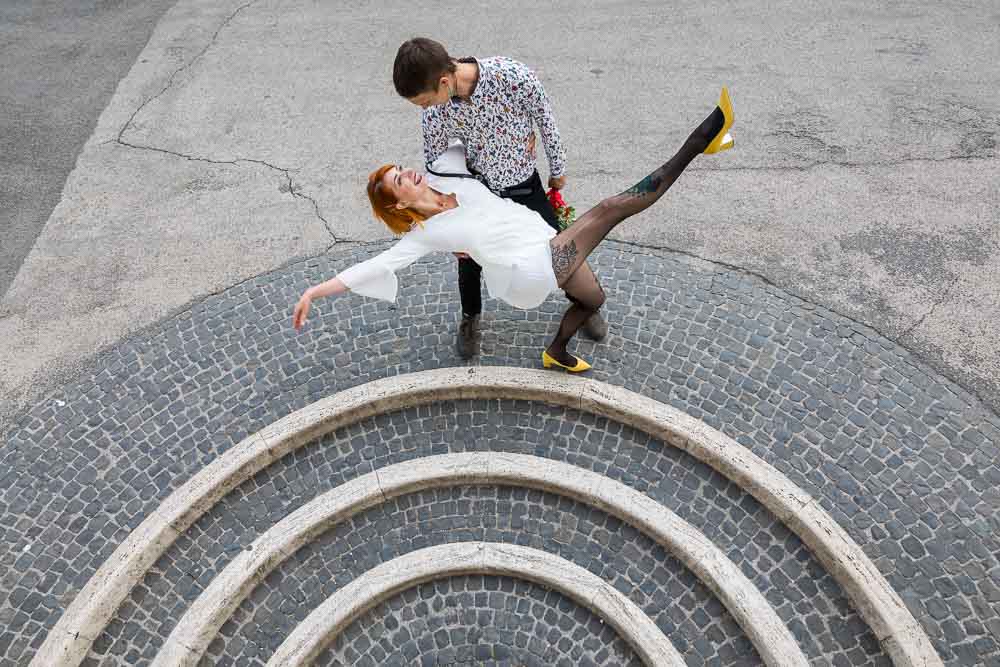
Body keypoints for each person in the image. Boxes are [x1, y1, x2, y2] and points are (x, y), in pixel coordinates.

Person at [293, 89, 735, 372]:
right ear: (398, 204)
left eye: (401, 169)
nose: (409, 173)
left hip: (537, 239)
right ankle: (703, 138)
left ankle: (556, 352)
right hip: (529, 268)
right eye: (398, 180)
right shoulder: (424, 234)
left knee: (592, 298)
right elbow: (374, 266)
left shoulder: (445, 172)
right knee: (611, 208)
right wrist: (315, 291)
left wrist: (517, 141)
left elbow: (471, 129)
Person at [392, 37, 607, 358]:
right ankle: (470, 318)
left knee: (560, 247)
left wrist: (557, 168)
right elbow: (436, 165)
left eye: (424, 102)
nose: (425, 110)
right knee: (469, 261)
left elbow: (545, 119)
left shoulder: (511, 76)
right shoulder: (436, 115)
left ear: (444, 81)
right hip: (481, 194)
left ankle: (584, 302)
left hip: (523, 184)